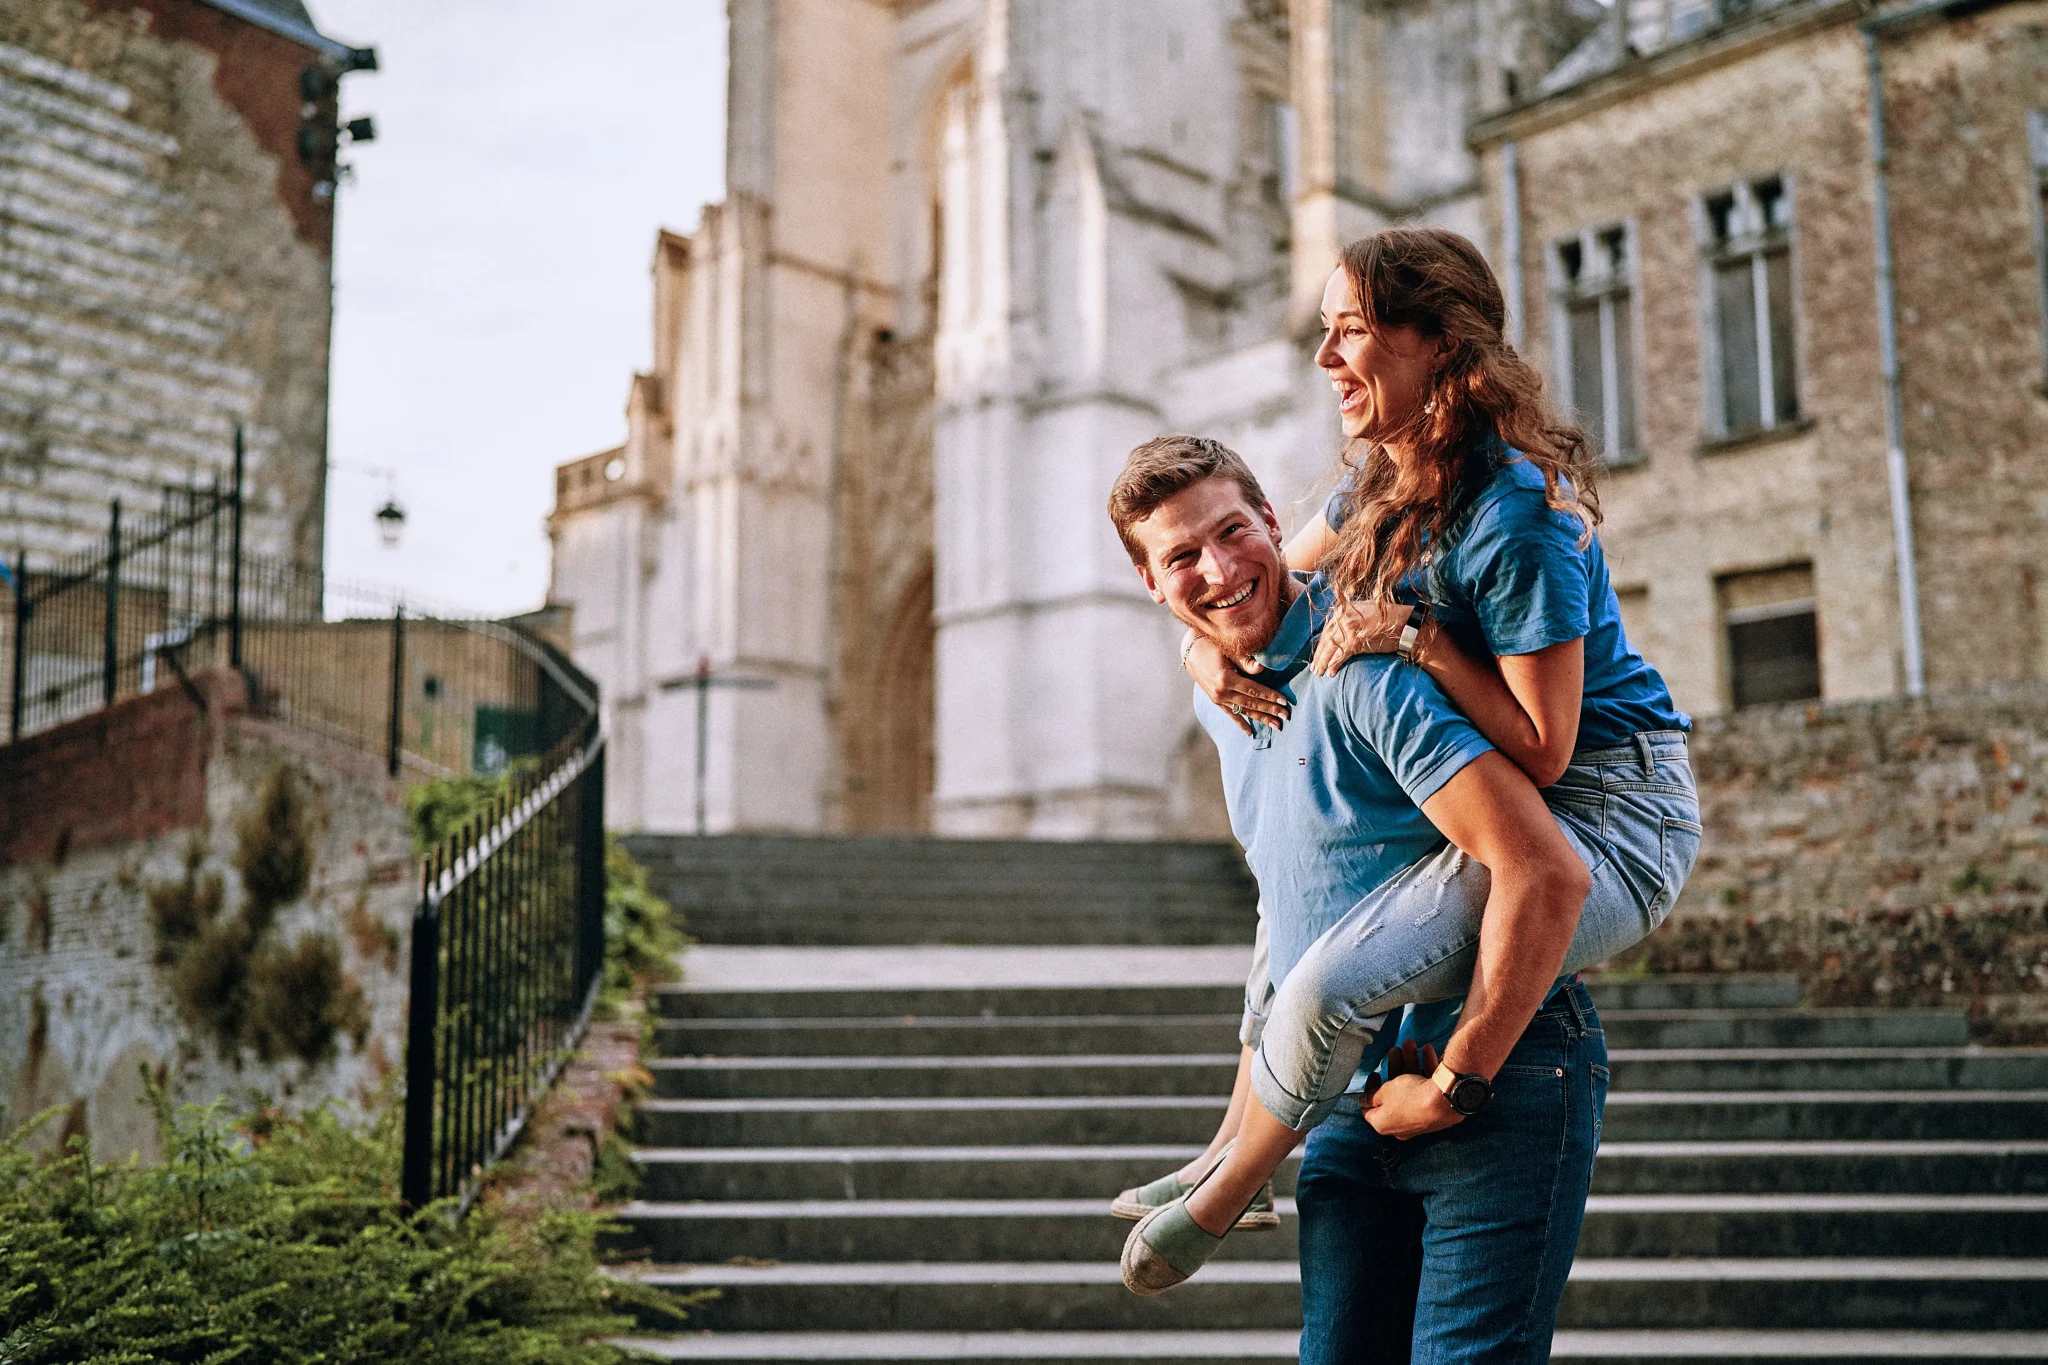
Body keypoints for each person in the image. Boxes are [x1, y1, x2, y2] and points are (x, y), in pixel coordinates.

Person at [1111, 229, 1699, 1284]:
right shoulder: (1375, 488)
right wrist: (1202, 654)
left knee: (1327, 984)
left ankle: (1231, 1187)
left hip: (1612, 811)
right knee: (1286, 925)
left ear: (1436, 343)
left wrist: (1412, 636)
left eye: (1349, 333)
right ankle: (1217, 1153)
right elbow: (1250, 581)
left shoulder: (1512, 516)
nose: (1326, 360)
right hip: (1520, 797)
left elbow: (1546, 748)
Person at [1107, 436, 1632, 1360]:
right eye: (1182, 557)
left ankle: (1228, 1191)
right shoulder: (1218, 698)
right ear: (1152, 587)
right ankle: (1234, 1162)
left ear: (1277, 525)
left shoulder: (1366, 666)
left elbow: (1542, 866)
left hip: (1499, 1064)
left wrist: (1459, 1076)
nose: (1220, 569)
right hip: (1347, 1098)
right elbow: (1287, 913)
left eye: (1234, 533)